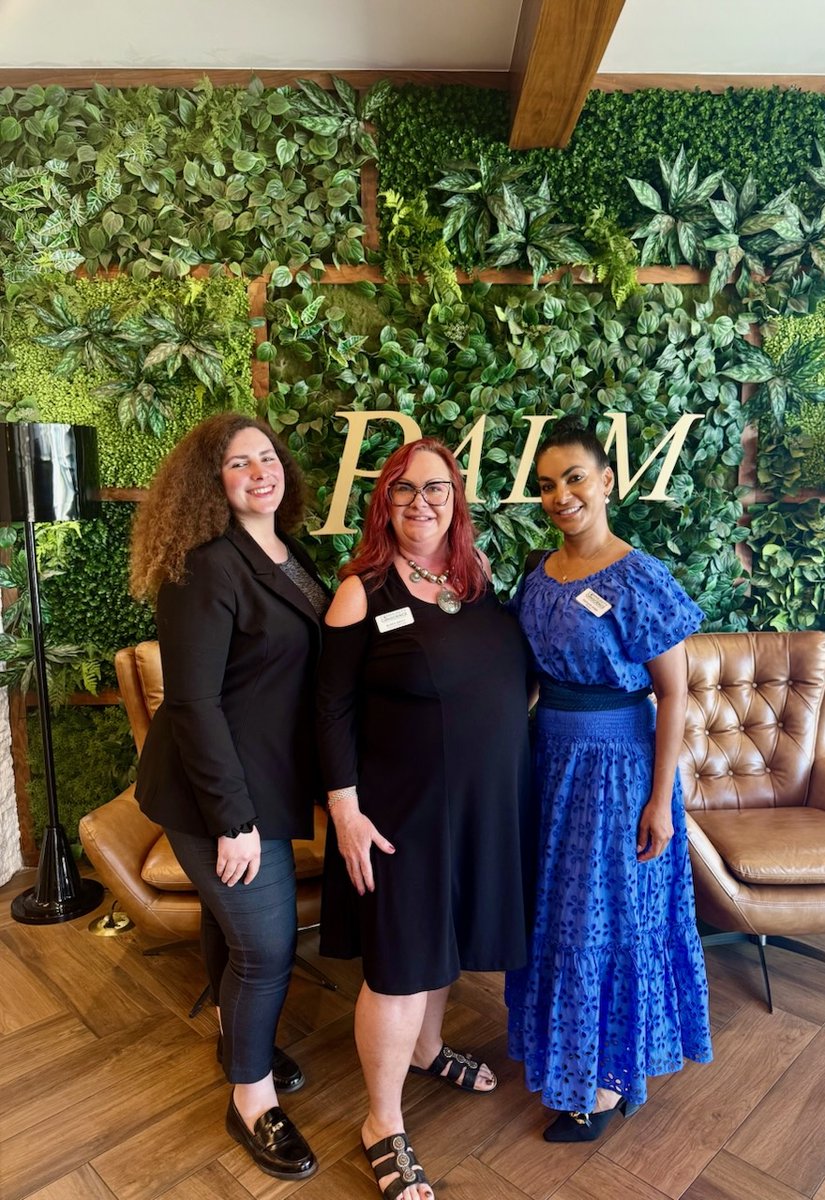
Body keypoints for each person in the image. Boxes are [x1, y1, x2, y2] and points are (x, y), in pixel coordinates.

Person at [316, 437, 531, 1200]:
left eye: (435, 488)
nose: (421, 502)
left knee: (443, 942)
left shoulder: (476, 580)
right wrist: (343, 809)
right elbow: (330, 707)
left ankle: (429, 1049)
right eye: (404, 490)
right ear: (384, 501)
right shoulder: (362, 589)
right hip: (397, 814)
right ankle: (381, 1122)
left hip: (477, 808)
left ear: (456, 497)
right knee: (403, 963)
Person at [130, 413, 329, 1181]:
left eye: (266, 456)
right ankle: (251, 1098)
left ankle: (234, 1035)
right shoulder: (204, 566)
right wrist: (233, 821)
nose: (259, 471)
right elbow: (193, 705)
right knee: (266, 944)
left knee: (232, 928)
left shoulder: (288, 553)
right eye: (238, 463)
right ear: (209, 484)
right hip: (212, 795)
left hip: (267, 783)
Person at [505, 415, 713, 1143]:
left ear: (608, 482)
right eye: (546, 485)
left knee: (609, 919)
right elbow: (527, 680)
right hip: (549, 764)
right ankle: (568, 1056)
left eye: (574, 478)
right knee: (557, 918)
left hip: (618, 772)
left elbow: (676, 693)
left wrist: (661, 800)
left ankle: (607, 1077)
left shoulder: (641, 575)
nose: (561, 495)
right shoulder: (538, 573)